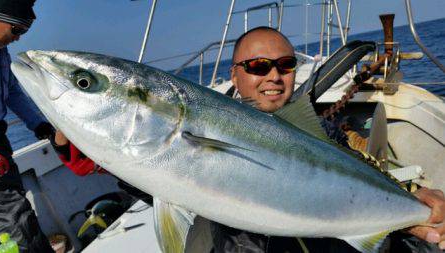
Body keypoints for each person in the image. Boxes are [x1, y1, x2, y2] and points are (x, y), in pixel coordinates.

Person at [51, 27, 445, 252]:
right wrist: (70, 136)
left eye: (286, 65)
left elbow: (358, 179)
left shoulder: (323, 130)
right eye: (258, 66)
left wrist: (415, 207)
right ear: (235, 75)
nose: (274, 76)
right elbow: (130, 164)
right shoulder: (193, 123)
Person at [0, 0, 55, 252]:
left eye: (24, 32)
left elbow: (12, 92)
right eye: (16, 30)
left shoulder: (0, 52)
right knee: (12, 214)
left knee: (10, 203)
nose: (18, 38)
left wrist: (38, 123)